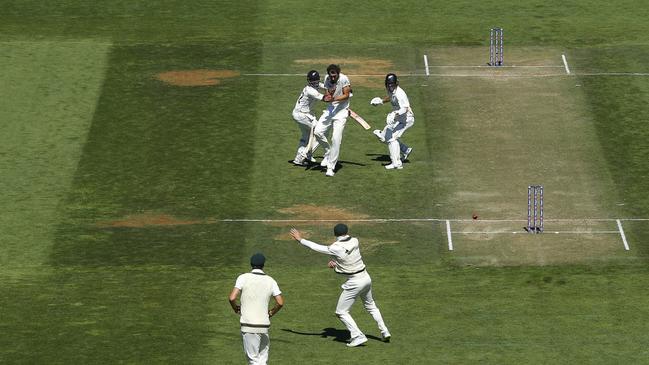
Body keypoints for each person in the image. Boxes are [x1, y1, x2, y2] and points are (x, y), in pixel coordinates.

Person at [289, 224, 391, 347]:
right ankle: (384, 331)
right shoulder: (355, 240)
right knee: (371, 307)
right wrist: (336, 263)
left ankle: (358, 336)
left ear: (335, 234)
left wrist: (300, 239)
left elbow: (316, 247)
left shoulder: (335, 247)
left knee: (341, 312)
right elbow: (347, 257)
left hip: (355, 282)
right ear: (347, 231)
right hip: (366, 278)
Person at [229, 253, 284, 364]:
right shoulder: (271, 280)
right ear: (263, 265)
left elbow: (232, 298)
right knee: (262, 360)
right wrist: (271, 312)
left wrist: (236, 308)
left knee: (253, 360)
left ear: (251, 264)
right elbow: (280, 302)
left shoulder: (243, 278)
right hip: (264, 326)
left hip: (248, 326)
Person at [313, 64, 352, 177]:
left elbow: (346, 95)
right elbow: (327, 95)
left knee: (336, 139)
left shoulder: (344, 79)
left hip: (341, 113)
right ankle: (328, 153)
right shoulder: (326, 79)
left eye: (335, 74)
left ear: (338, 73)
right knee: (318, 132)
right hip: (330, 110)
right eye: (331, 74)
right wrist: (328, 96)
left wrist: (333, 98)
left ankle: (331, 167)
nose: (333, 76)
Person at [370, 73, 414, 170]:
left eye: (392, 84)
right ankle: (405, 150)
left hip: (407, 119)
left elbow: (405, 108)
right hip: (398, 118)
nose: (390, 86)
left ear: (396, 83)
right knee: (384, 137)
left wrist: (395, 114)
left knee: (391, 138)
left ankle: (397, 164)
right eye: (388, 84)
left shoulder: (400, 94)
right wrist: (381, 101)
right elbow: (390, 97)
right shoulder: (391, 90)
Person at [291, 70, 333, 166]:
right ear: (309, 81)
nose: (315, 83)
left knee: (305, 136)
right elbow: (326, 99)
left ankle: (299, 159)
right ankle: (306, 153)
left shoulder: (316, 85)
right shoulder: (310, 90)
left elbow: (326, 87)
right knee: (320, 131)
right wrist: (340, 100)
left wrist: (335, 89)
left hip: (300, 114)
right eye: (313, 82)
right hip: (302, 115)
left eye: (316, 81)